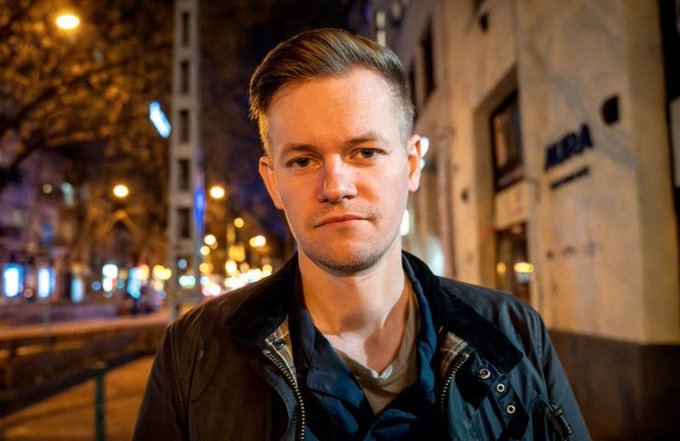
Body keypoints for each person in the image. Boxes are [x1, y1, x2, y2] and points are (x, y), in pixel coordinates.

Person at [133, 28, 591, 441]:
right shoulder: (194, 352)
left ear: (411, 165)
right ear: (272, 182)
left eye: (365, 152)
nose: (336, 187)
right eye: (302, 161)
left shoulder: (513, 333)